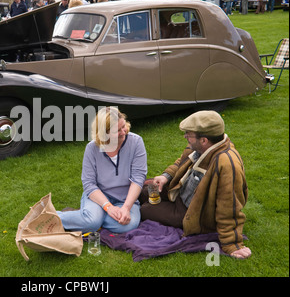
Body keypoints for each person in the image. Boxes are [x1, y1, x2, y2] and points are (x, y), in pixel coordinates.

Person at [139, 111, 251, 259]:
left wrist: (232, 244)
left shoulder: (226, 164)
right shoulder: (201, 146)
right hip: (179, 191)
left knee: (144, 209)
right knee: (143, 190)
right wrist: (165, 176)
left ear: (204, 140)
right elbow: (181, 162)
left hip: (189, 212)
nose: (185, 136)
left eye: (189, 134)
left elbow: (229, 206)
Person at [57, 107, 147, 234]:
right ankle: (49, 217)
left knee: (128, 225)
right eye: (118, 130)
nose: (124, 131)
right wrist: (108, 207)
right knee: (94, 221)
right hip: (98, 197)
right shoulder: (91, 148)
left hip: (125, 199)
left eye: (124, 126)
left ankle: (85, 218)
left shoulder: (136, 142)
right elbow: (89, 183)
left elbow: (138, 178)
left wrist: (126, 208)